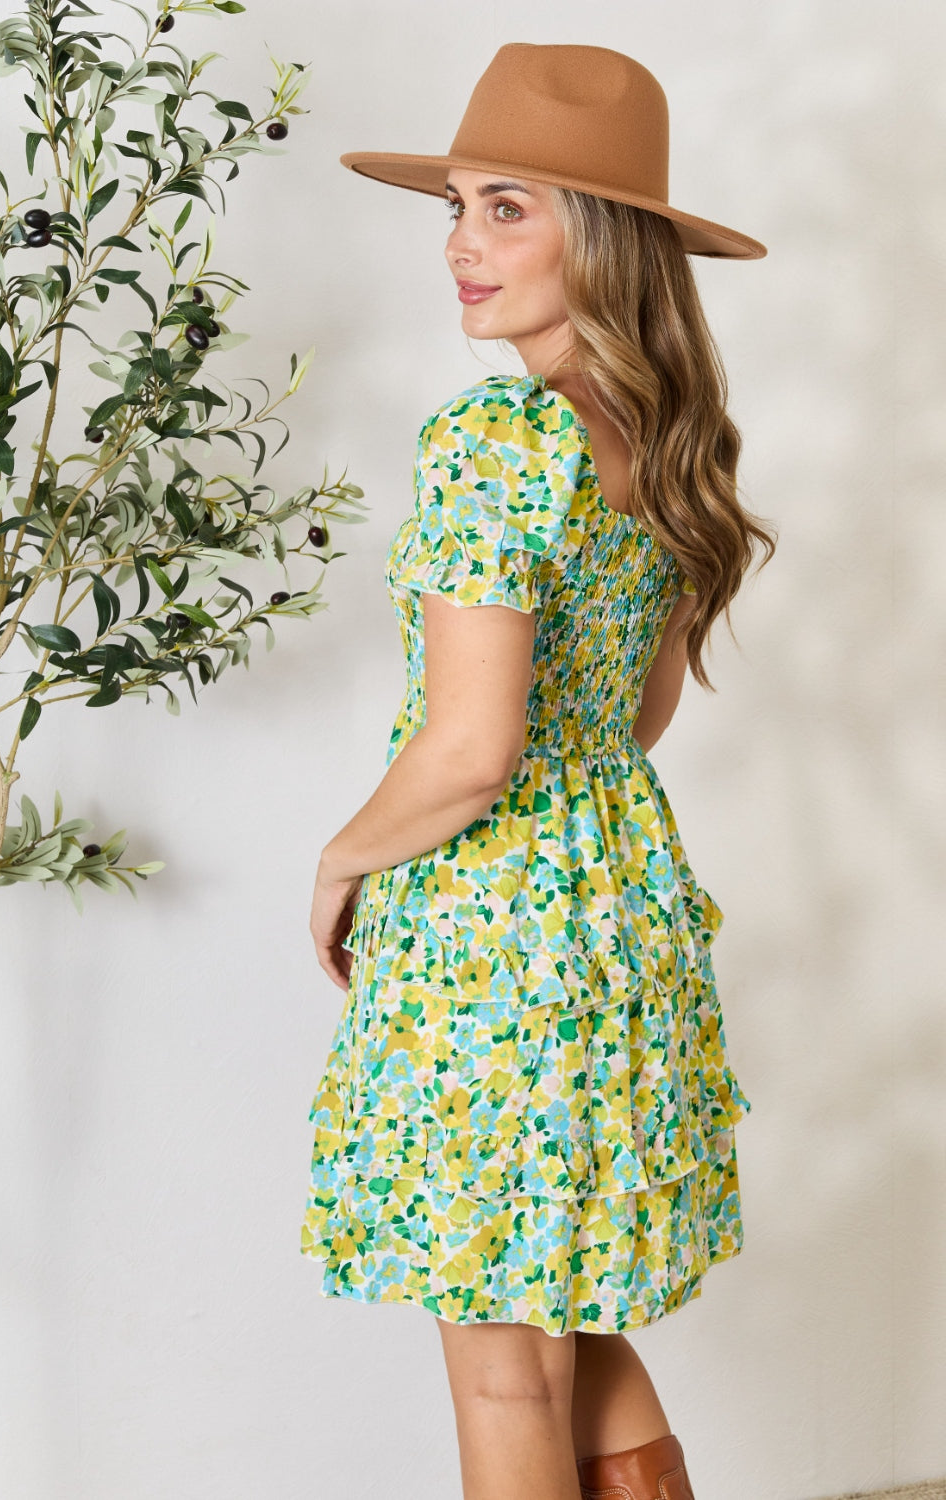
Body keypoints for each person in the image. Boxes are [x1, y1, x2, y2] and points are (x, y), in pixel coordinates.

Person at [301, 42, 773, 1500]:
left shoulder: (498, 437)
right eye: (453, 205)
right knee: (569, 1318)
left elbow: (473, 745)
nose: (460, 244)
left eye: (508, 206)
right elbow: (624, 725)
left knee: (507, 1365)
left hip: (494, 936)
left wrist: (343, 858)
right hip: (619, 912)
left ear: (606, 231)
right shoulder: (664, 440)